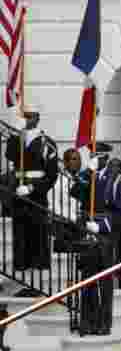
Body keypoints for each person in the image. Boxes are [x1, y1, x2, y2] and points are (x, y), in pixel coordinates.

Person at [77, 155, 121, 336]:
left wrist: (102, 226)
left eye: (116, 167)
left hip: (106, 237)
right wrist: (87, 171)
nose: (113, 169)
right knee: (88, 280)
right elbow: (75, 191)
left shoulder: (119, 184)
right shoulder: (93, 177)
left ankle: (103, 323)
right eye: (94, 156)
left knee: (105, 284)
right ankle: (87, 322)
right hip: (89, 232)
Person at [4, 111, 59, 273]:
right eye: (24, 116)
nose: (26, 119)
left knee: (38, 234)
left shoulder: (46, 143)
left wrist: (31, 188)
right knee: (20, 235)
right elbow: (10, 155)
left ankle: (39, 271)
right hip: (18, 193)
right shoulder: (17, 138)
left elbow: (51, 175)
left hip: (37, 194)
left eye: (30, 116)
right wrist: (16, 135)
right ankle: (21, 270)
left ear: (37, 118)